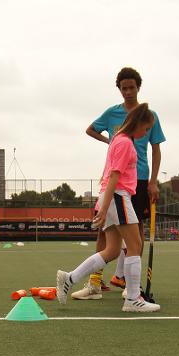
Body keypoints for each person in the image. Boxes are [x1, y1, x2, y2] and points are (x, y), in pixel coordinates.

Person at [72, 67, 165, 301]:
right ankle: (95, 284)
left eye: (132, 87)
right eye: (124, 88)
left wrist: (153, 181)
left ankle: (129, 286)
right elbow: (90, 129)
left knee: (136, 233)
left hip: (139, 179)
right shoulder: (113, 114)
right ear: (119, 89)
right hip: (115, 180)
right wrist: (109, 141)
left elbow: (156, 149)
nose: (128, 92)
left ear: (138, 87)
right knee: (105, 234)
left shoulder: (148, 115)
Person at [56, 104, 160, 313]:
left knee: (112, 250)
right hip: (118, 196)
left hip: (112, 197)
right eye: (146, 128)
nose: (146, 134)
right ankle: (132, 299)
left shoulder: (118, 140)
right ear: (138, 123)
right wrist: (104, 208)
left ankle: (70, 278)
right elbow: (114, 175)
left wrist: (104, 205)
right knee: (134, 245)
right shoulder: (125, 143)